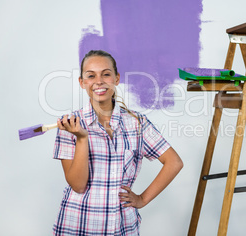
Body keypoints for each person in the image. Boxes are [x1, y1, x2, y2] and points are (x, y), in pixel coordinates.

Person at [52, 50, 183, 235]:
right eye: (91, 76)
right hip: (79, 225)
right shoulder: (70, 124)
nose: (99, 81)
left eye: (106, 74)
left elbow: (174, 162)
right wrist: (82, 138)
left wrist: (142, 199)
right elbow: (78, 185)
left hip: (122, 227)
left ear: (117, 78)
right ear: (82, 82)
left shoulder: (137, 123)